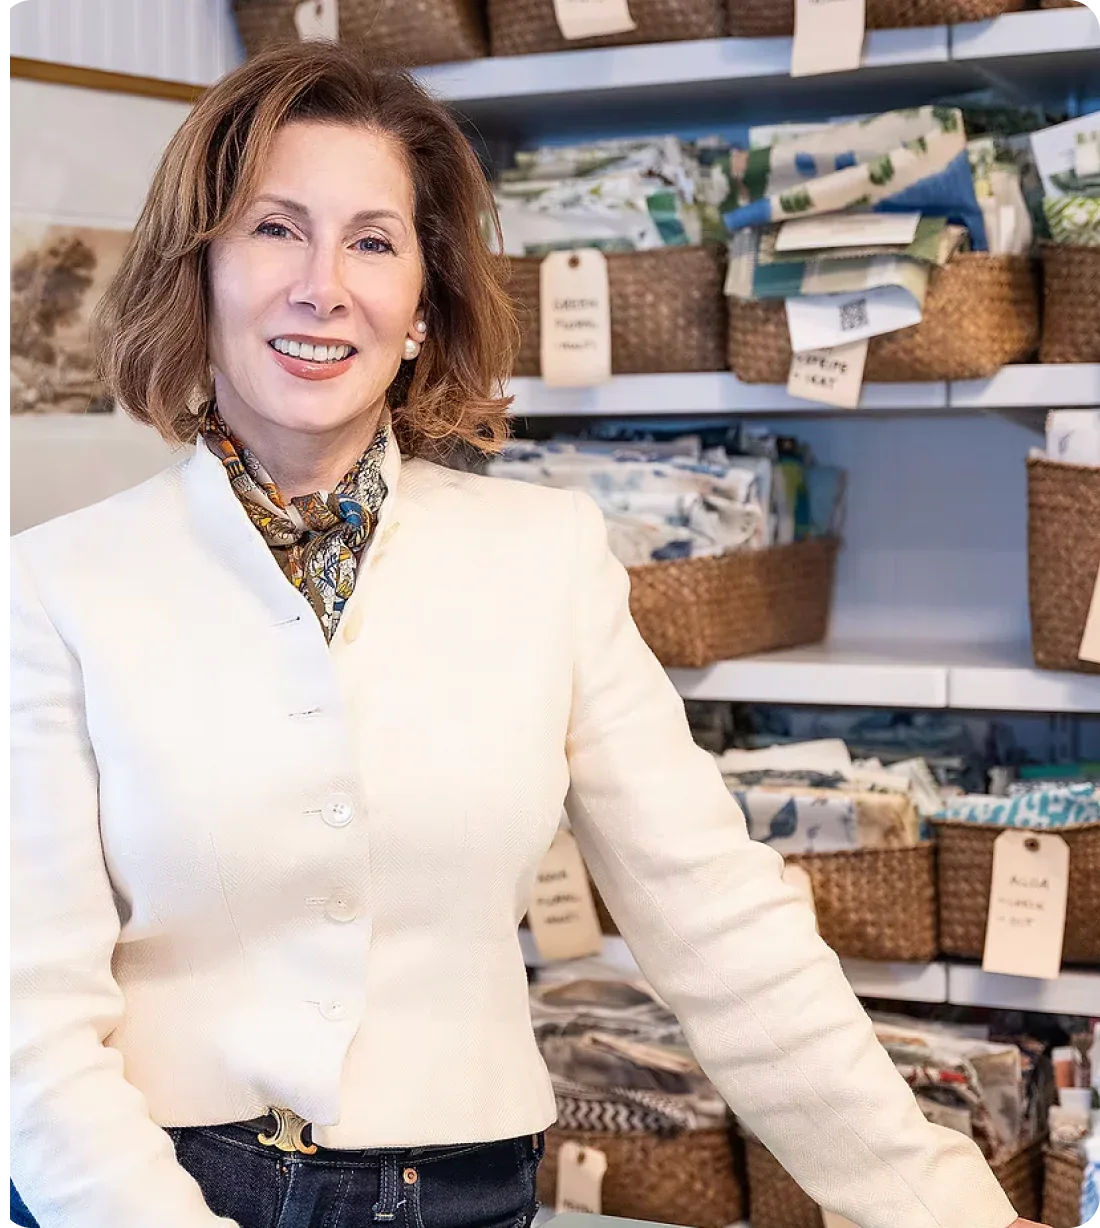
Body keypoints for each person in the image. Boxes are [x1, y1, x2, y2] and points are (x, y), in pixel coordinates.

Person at [7, 40, 1046, 1228]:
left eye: (373, 241)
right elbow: (27, 1016)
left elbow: (717, 921)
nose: (322, 284)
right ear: (197, 272)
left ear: (420, 303)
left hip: (466, 1194)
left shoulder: (541, 556)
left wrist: (939, 1203)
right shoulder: (57, 584)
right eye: (273, 229)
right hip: (152, 1187)